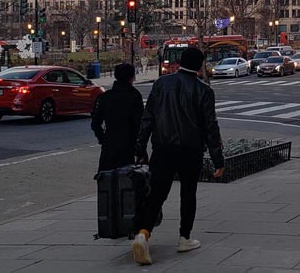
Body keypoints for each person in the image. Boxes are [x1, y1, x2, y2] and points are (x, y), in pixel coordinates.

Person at [131, 47, 224, 266]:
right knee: (188, 193)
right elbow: (211, 127)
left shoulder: (161, 84)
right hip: (191, 151)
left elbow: (148, 119)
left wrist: (140, 147)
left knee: (156, 194)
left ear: (179, 62)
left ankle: (143, 233)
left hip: (162, 148)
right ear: (200, 65)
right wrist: (218, 160)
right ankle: (184, 237)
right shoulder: (204, 90)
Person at [90, 63, 143, 172]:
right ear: (132, 77)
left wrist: (102, 139)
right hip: (127, 148)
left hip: (108, 146)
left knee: (107, 182)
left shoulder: (104, 97)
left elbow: (95, 123)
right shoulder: (134, 96)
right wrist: (140, 149)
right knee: (126, 183)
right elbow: (139, 125)